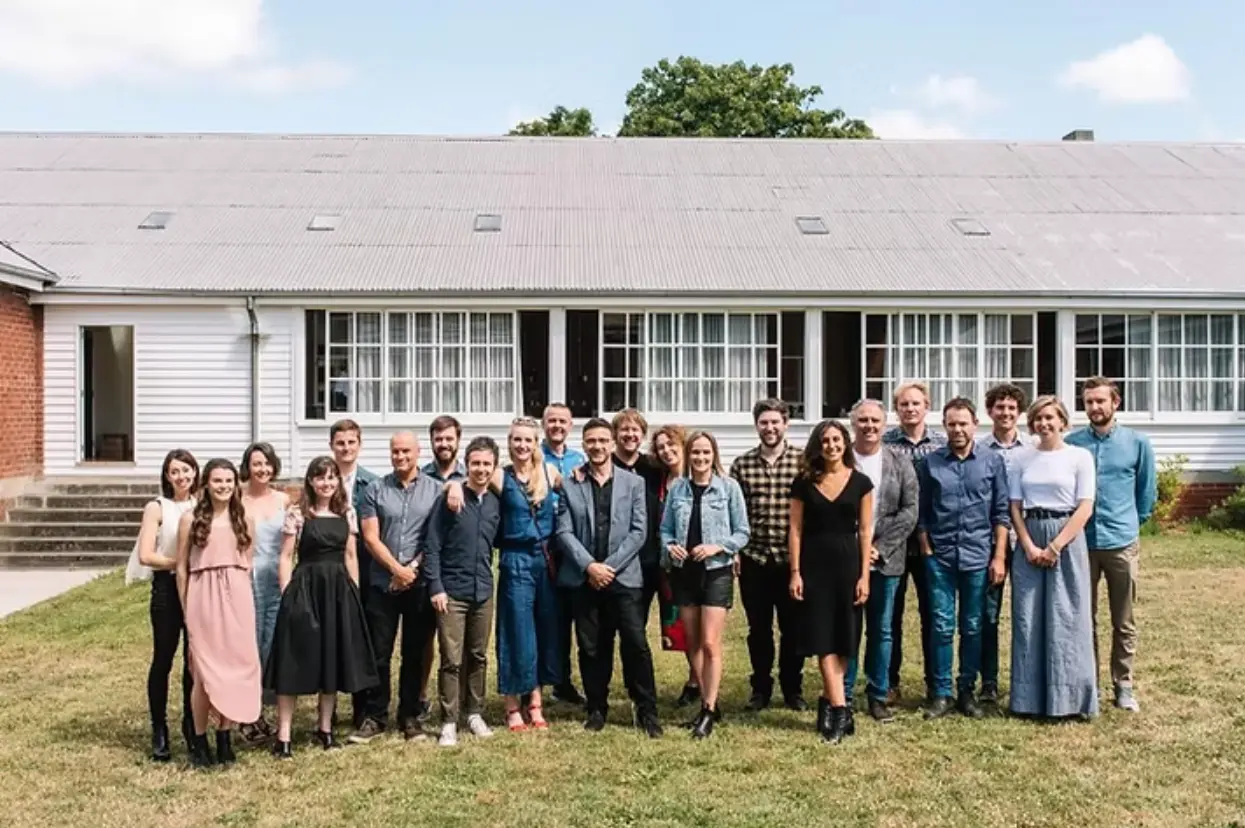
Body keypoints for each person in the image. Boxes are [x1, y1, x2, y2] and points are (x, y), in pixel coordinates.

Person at [264, 456, 378, 758]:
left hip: (338, 591)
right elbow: (286, 556)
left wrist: (353, 593)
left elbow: (351, 555)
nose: (327, 483)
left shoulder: (347, 512)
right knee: (294, 658)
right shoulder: (297, 513)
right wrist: (288, 594)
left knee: (331, 656)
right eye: (320, 477)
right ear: (311, 482)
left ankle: (325, 727)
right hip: (306, 587)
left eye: (331, 478)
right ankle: (283, 735)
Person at [555, 418, 661, 737]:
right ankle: (597, 708)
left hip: (624, 578)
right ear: (584, 445)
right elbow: (563, 531)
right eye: (591, 441)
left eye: (603, 440)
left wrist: (608, 567)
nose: (598, 446)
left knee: (635, 644)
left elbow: (639, 531)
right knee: (591, 647)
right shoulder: (570, 484)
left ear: (612, 443)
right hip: (584, 579)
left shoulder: (633, 483)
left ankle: (647, 710)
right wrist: (590, 567)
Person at [1066, 376, 1157, 713]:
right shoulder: (1073, 444)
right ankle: (1087, 682)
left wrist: (1133, 523)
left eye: (1100, 401)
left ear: (1115, 403)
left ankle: (1124, 684)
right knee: (1081, 617)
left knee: (1124, 619)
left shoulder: (1137, 443)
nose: (1094, 407)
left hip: (1121, 542)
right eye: (1089, 402)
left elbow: (1147, 492)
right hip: (1082, 544)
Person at [917, 398, 1011, 720]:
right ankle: (941, 693)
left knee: (972, 626)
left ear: (975, 425)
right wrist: (926, 547)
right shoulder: (931, 463)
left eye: (963, 423)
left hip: (978, 556)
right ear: (944, 426)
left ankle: (967, 691)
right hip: (940, 557)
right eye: (952, 424)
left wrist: (998, 556)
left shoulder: (992, 462)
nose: (958, 429)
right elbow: (922, 511)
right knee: (942, 626)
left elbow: (1001, 512)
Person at [1008, 395, 1099, 719]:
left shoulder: (1079, 457)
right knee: (1028, 618)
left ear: (1062, 421)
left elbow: (1085, 506)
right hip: (1030, 535)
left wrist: (1056, 546)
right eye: (1038, 419)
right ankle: (1028, 700)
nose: (1044, 424)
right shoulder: (1021, 457)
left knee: (1067, 616)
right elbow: (1015, 506)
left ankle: (1070, 700)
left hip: (1067, 537)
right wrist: (1029, 545)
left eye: (1050, 418)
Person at [351, 431, 441, 744]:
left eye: (406, 451)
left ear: (418, 453)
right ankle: (375, 716)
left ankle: (410, 716)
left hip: (419, 584)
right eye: (395, 451)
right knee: (379, 652)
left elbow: (436, 537)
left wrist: (411, 570)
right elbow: (370, 536)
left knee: (415, 652)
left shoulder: (436, 490)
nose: (400, 456)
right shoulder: (375, 489)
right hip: (382, 583)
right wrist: (395, 569)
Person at [660, 430, 750, 739]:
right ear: (689, 455)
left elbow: (743, 532)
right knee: (692, 642)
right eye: (695, 453)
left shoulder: (728, 488)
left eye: (705, 453)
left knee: (711, 643)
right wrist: (669, 546)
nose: (700, 458)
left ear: (714, 455)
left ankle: (709, 710)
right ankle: (706, 700)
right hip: (683, 572)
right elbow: (665, 530)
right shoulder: (678, 489)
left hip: (715, 572)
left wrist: (718, 547)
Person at [789, 420, 873, 744]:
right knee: (823, 638)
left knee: (844, 639)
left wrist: (864, 575)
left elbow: (865, 531)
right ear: (818, 446)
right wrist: (795, 572)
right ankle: (840, 711)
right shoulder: (804, 482)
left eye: (837, 440)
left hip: (848, 565)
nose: (832, 446)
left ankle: (827, 703)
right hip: (814, 566)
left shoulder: (862, 483)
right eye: (825, 441)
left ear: (845, 444)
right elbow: (795, 529)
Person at [174, 458, 260, 768]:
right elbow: (181, 568)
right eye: (217, 481)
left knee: (235, 668)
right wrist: (187, 608)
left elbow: (246, 562)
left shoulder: (244, 519)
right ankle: (199, 739)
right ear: (206, 484)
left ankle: (225, 735)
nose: (223, 486)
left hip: (236, 596)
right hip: (203, 595)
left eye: (228, 481)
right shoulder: (190, 519)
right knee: (205, 674)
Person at [842, 399, 919, 722]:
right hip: (845, 559)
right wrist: (855, 549)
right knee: (847, 628)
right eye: (862, 420)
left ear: (884, 425)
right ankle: (842, 694)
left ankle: (877, 694)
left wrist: (880, 547)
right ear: (853, 424)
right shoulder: (840, 459)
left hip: (886, 561)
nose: (869, 426)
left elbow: (909, 509)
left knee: (882, 628)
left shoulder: (899, 461)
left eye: (875, 420)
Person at [424, 436, 503, 748]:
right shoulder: (451, 499)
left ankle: (474, 712)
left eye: (486, 464)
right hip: (451, 592)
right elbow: (432, 544)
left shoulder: (496, 502)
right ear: (466, 465)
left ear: (493, 466)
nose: (481, 469)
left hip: (483, 590)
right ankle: (449, 720)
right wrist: (436, 587)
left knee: (478, 655)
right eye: (475, 463)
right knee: (451, 658)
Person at [730, 398, 807, 712]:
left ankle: (792, 689)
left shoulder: (803, 462)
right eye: (764, 422)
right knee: (758, 630)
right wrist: (736, 551)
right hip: (755, 559)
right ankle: (760, 688)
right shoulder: (742, 464)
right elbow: (735, 514)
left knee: (793, 629)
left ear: (786, 423)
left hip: (792, 562)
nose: (770, 428)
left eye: (776, 422)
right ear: (757, 425)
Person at [495, 417, 564, 732]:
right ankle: (512, 705)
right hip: (515, 559)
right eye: (516, 440)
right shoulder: (500, 476)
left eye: (528, 440)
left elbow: (574, 495)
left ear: (537, 443)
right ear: (509, 443)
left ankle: (535, 700)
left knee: (543, 629)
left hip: (546, 560)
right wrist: (453, 486)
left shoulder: (549, 473)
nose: (522, 446)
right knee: (516, 630)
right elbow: (467, 481)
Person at [882, 382, 946, 704]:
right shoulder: (885, 444)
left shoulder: (942, 443)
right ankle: (889, 681)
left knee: (932, 615)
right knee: (889, 617)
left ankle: (935, 684)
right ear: (897, 409)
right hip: (893, 544)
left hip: (931, 545)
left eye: (916, 403)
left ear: (927, 406)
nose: (910, 409)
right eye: (904, 404)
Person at [135, 448, 198, 762]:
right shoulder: (157, 507)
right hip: (166, 588)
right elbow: (146, 555)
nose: (182, 476)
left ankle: (192, 723)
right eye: (175, 471)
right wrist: (180, 563)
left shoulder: (203, 505)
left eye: (186, 470)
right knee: (164, 658)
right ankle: (159, 728)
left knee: (194, 659)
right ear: (167, 476)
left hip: (199, 588)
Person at [978, 382, 1031, 706]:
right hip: (992, 542)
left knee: (1027, 614)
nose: (1006, 413)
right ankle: (989, 682)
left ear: (1019, 412)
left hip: (1028, 540)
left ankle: (1026, 681)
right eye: (1000, 407)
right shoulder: (980, 450)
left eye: (1012, 408)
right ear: (990, 412)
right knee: (989, 616)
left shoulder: (1034, 449)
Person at [238, 441, 288, 745]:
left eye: (267, 463)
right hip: (248, 578)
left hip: (278, 579)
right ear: (248, 467)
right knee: (249, 647)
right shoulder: (237, 499)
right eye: (257, 463)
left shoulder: (284, 499)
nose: (263, 469)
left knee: (272, 644)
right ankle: (245, 715)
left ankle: (262, 710)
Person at [329, 418, 378, 729]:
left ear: (359, 445)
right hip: (330, 567)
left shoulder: (372, 483)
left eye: (351, 443)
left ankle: (363, 707)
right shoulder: (320, 479)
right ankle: (328, 708)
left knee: (363, 638)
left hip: (366, 568)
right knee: (331, 638)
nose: (346, 448)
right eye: (340, 443)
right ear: (332, 446)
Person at [539, 402, 588, 707]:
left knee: (574, 616)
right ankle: (549, 678)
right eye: (552, 421)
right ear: (544, 425)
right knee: (550, 618)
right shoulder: (534, 454)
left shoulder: (578, 459)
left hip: (574, 546)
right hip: (545, 545)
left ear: (570, 426)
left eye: (563, 421)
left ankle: (565, 681)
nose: (557, 425)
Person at [651, 423, 700, 707]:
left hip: (698, 565)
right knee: (679, 625)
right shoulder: (659, 479)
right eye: (661, 448)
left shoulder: (701, 476)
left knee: (698, 626)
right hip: (668, 565)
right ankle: (693, 677)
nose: (667, 451)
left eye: (671, 445)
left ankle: (698, 681)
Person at [610, 408, 665, 627]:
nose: (630, 434)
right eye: (624, 429)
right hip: (614, 558)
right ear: (615, 434)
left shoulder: (654, 468)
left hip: (648, 558)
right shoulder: (606, 465)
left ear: (642, 435)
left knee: (636, 625)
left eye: (635, 429)